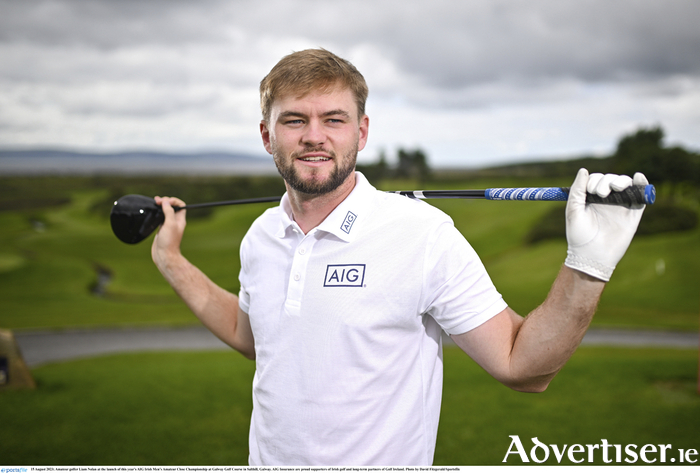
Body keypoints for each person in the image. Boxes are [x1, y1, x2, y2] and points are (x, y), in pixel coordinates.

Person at [150, 49, 648, 466]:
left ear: (361, 133)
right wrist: (171, 258)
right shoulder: (261, 236)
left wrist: (589, 266)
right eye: (295, 120)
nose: (314, 136)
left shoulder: (423, 234)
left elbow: (523, 367)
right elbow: (256, 338)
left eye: (334, 120)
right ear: (267, 136)